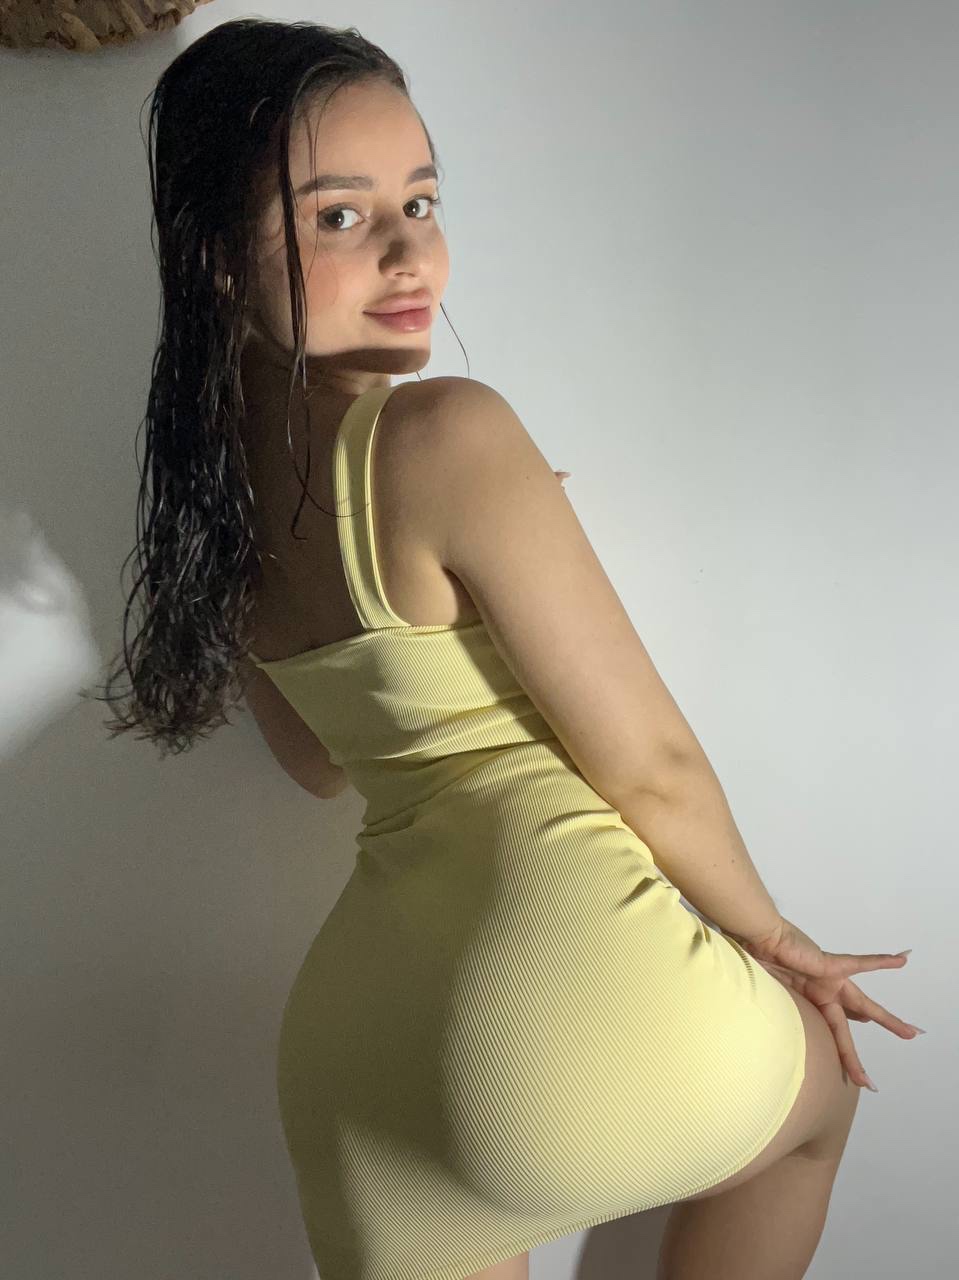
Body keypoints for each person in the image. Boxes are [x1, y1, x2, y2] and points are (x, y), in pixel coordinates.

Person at [92, 18, 921, 1280]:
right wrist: (778, 940)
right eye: (338, 216)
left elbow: (320, 761)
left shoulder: (226, 510)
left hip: (355, 1064)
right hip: (555, 1004)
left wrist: (487, 553)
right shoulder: (447, 432)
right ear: (216, 256)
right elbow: (651, 768)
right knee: (816, 1111)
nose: (407, 250)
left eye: (420, 201)